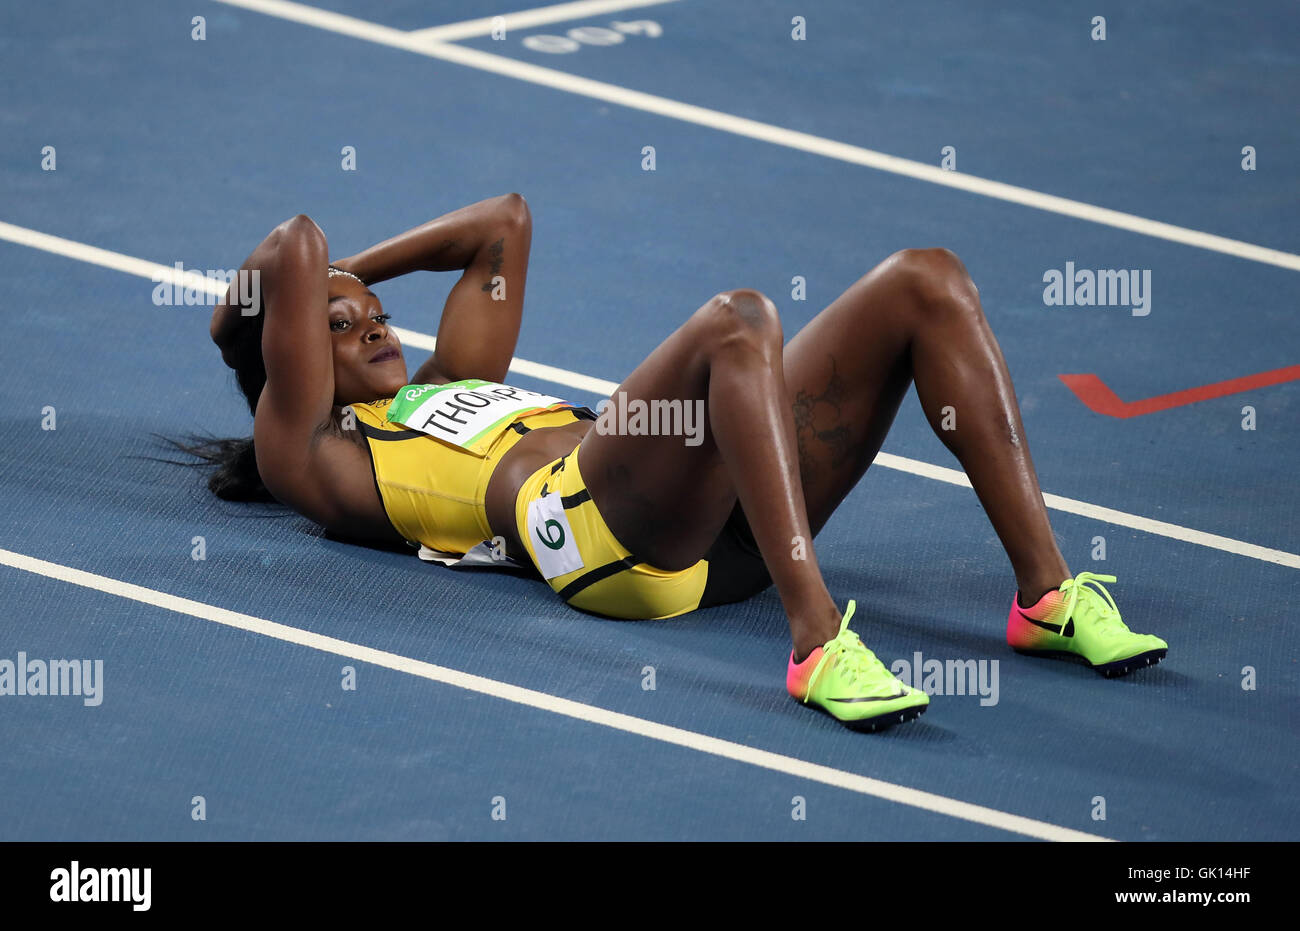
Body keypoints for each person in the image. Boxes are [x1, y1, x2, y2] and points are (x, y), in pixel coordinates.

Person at [185, 193, 1167, 732]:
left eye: (375, 314)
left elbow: (506, 221)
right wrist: (254, 312)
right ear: (288, 364)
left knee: (925, 278)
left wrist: (357, 274)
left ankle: (1046, 598)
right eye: (341, 324)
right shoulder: (308, 452)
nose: (373, 325)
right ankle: (816, 640)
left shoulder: (446, 381)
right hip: (603, 546)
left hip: (712, 510)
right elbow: (294, 242)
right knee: (739, 323)